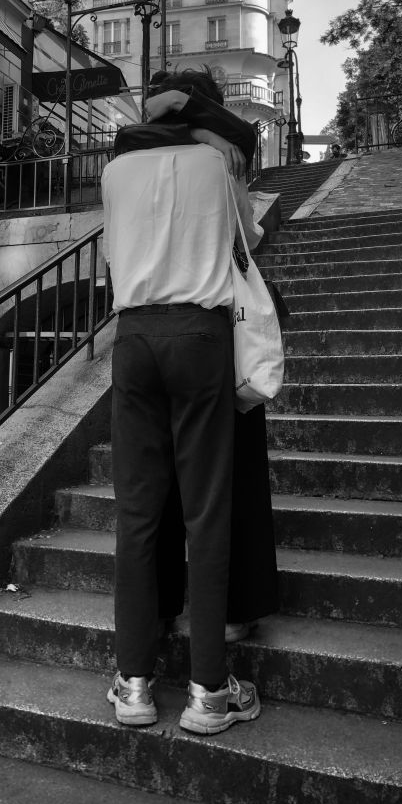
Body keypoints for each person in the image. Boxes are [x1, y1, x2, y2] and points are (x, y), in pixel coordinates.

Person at [103, 68, 261, 736]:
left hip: (135, 334)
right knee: (207, 514)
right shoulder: (218, 166)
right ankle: (208, 693)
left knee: (138, 514)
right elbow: (248, 244)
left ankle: (135, 684)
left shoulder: (115, 172)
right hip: (202, 334)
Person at [132, 72, 281, 644]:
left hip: (147, 329)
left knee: (160, 480)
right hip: (215, 328)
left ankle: (162, 606)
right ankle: (237, 608)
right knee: (234, 474)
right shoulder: (219, 157)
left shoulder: (136, 159)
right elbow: (246, 234)